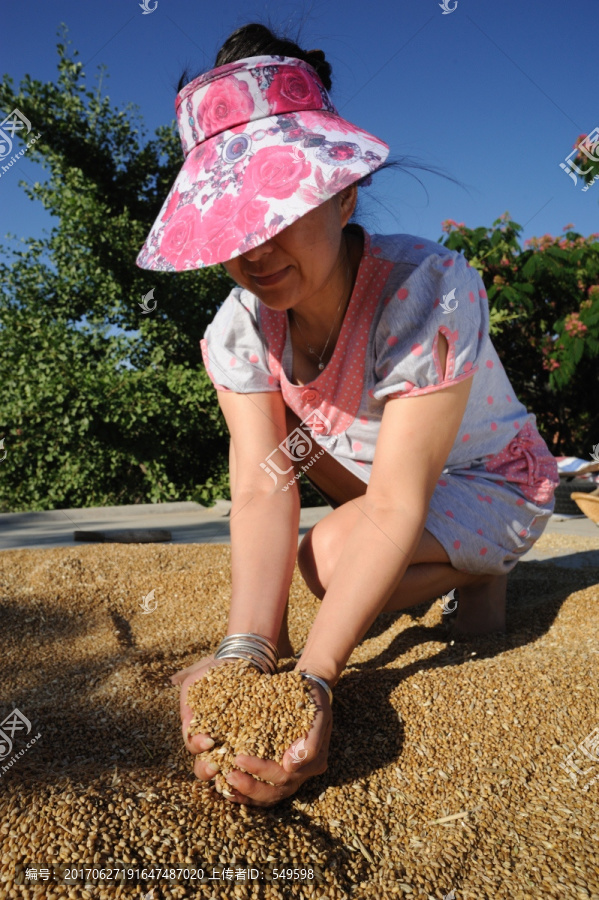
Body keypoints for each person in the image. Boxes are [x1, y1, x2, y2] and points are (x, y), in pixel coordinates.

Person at [136, 23, 559, 808]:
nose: (254, 250)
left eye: (277, 209)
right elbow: (265, 485)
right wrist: (247, 653)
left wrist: (314, 681)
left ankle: (488, 562)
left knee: (324, 560)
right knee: (292, 475)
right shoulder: (240, 328)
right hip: (375, 474)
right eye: (233, 225)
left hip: (491, 479)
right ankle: (467, 573)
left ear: (342, 193)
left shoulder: (424, 290)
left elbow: (397, 501)